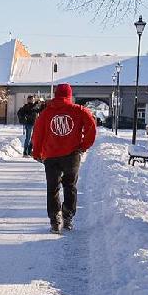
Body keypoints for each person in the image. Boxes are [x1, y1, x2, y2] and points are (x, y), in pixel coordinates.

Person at [32, 83, 97, 233]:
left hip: (51, 156)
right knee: (70, 186)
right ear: (69, 95)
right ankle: (68, 217)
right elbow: (92, 127)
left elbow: (38, 134)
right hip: (72, 155)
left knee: (53, 188)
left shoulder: (46, 113)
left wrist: (37, 153)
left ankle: (55, 221)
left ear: (56, 94)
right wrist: (83, 145)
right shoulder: (79, 111)